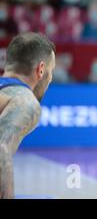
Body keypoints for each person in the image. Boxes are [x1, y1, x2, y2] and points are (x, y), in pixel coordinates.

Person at [0, 32, 56, 198]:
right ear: (40, 70)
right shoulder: (25, 101)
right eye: (51, 71)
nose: (51, 78)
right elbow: (1, 148)